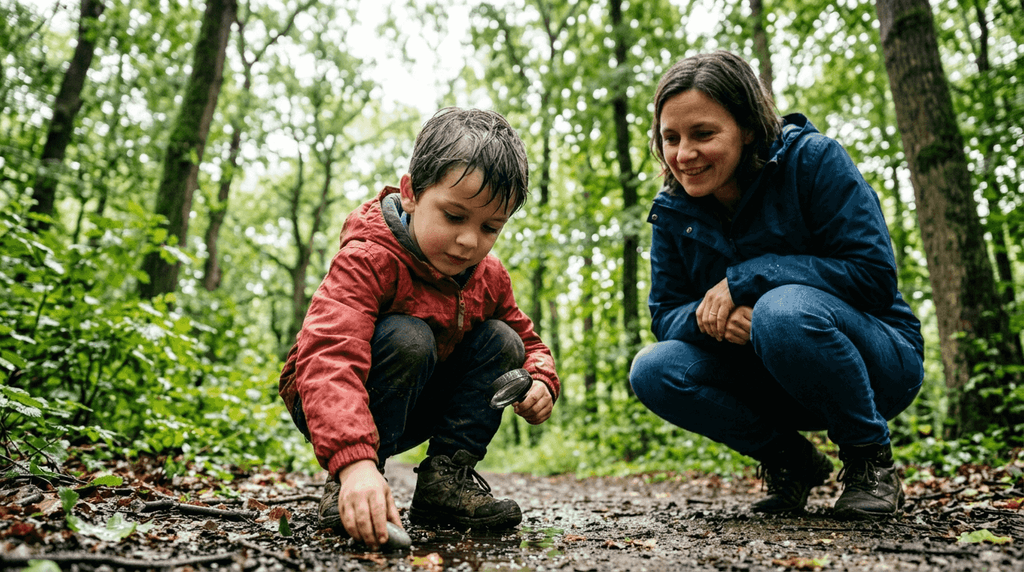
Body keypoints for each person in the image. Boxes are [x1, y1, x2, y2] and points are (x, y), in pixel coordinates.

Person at [629, 51, 924, 520]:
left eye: (703, 134)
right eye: (671, 138)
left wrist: (748, 280)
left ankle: (870, 461)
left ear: (747, 128)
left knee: (781, 311)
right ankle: (793, 461)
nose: (683, 154)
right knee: (652, 368)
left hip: (878, 362)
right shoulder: (672, 210)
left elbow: (874, 276)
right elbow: (665, 314)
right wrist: (716, 322)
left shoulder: (814, 161)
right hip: (765, 372)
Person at [278, 107, 559, 549]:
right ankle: (355, 484)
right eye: (453, 216)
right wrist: (354, 464)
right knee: (410, 336)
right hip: (329, 403)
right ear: (410, 193)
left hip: (419, 400)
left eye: (490, 227)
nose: (469, 241)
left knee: (501, 340)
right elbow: (328, 354)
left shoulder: (488, 276)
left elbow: (528, 341)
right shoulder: (368, 259)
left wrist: (541, 377)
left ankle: (445, 484)